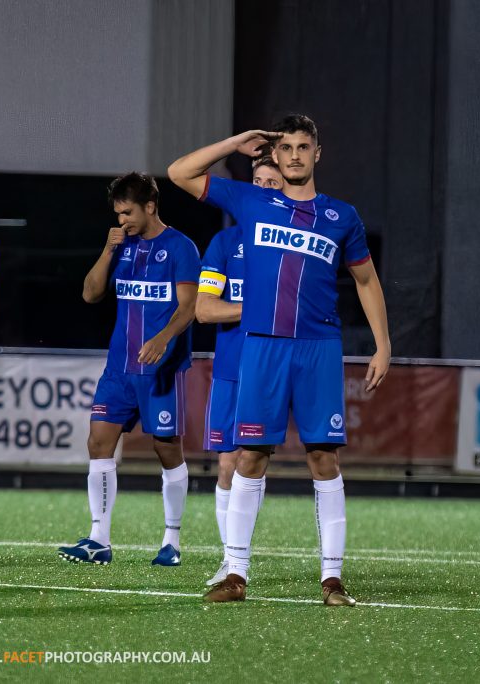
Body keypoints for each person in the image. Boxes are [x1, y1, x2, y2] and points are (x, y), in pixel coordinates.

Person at [169, 116, 390, 605]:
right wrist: (233, 143)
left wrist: (383, 344)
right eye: (286, 147)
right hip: (262, 346)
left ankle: (332, 579)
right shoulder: (253, 201)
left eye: (302, 147)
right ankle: (236, 574)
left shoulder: (341, 216)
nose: (293, 155)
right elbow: (179, 173)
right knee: (251, 456)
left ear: (317, 153)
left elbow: (367, 281)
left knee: (323, 457)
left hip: (319, 348)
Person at [57, 172, 200, 566]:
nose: (123, 220)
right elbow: (89, 294)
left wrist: (163, 338)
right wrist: (107, 251)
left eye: (128, 212)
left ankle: (171, 542)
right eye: (118, 213)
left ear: (150, 206)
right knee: (98, 444)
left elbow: (189, 307)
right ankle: (98, 539)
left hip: (160, 368)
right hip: (118, 368)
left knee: (166, 448)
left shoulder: (180, 247)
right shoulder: (121, 245)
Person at [196, 156, 283, 585]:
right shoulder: (225, 244)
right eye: (258, 180)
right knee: (227, 463)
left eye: (273, 182)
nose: (264, 188)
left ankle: (239, 557)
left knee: (257, 459)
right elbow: (205, 310)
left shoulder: (292, 244)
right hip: (232, 368)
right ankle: (231, 561)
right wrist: (258, 310)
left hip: (274, 368)